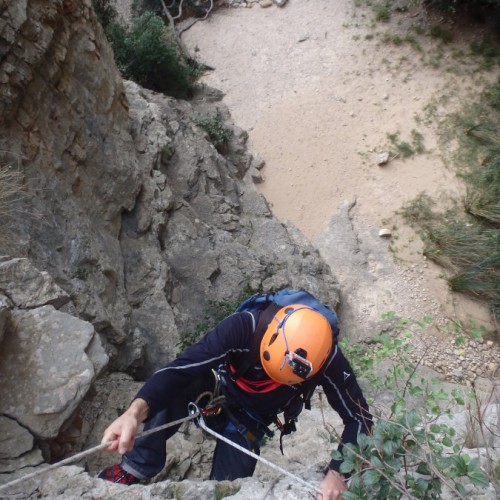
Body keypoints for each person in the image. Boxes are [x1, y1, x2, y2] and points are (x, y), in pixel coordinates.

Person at [98, 300, 373, 500]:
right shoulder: (245, 327)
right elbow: (181, 369)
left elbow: (360, 418)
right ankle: (136, 467)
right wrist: (133, 414)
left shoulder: (328, 360)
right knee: (183, 384)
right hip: (218, 390)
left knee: (227, 489)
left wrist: (338, 474)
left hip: (252, 418)